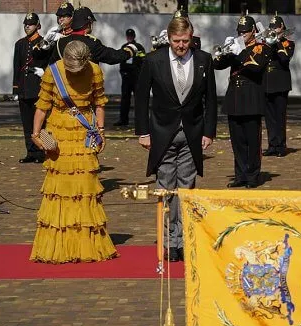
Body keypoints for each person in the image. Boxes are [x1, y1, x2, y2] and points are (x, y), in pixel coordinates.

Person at [135, 17, 217, 262]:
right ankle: (170, 240)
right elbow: (141, 98)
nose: (181, 46)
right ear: (168, 39)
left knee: (187, 189)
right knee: (166, 188)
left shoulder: (203, 60)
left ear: (192, 38)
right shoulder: (153, 61)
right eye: (176, 41)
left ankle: (185, 238)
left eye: (185, 41)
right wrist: (143, 132)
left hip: (192, 134)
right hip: (162, 134)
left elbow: (210, 99)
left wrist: (208, 132)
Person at [30, 40, 117, 263]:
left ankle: (85, 244)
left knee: (86, 187)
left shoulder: (95, 70)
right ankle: (60, 244)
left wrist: (100, 130)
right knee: (60, 188)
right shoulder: (53, 71)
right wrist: (35, 133)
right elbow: (42, 105)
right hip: (59, 134)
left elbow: (99, 103)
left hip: (85, 133)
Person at [214, 15, 269, 188]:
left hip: (251, 98)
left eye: (245, 31)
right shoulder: (236, 47)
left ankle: (253, 175)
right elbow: (217, 64)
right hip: (235, 98)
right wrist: (224, 52)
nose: (242, 34)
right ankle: (240, 175)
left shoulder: (262, 48)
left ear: (253, 31)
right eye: (240, 31)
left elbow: (256, 67)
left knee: (252, 141)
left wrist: (241, 52)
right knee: (237, 141)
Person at [13, 13, 48, 164]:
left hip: (38, 88)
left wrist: (45, 74)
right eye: (26, 24)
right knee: (27, 123)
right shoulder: (19, 44)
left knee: (41, 123)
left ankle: (42, 152)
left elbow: (49, 64)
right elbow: (16, 68)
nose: (27, 26)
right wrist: (16, 89)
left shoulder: (44, 43)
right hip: (24, 89)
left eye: (31, 24)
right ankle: (31, 152)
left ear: (38, 25)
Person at [50, 8, 140, 65]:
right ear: (88, 24)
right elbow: (113, 57)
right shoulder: (92, 43)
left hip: (65, 92)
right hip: (85, 92)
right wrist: (130, 50)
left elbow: (53, 66)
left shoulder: (60, 42)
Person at [262, 13, 294, 158]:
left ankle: (281, 146)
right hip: (266, 82)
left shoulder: (288, 43)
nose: (273, 30)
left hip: (280, 83)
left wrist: (277, 42)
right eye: (271, 27)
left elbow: (284, 59)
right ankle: (272, 145)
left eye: (276, 27)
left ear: (282, 27)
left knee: (279, 116)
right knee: (269, 117)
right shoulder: (266, 43)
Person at [115, 29, 146, 127]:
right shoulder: (124, 47)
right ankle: (123, 120)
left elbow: (143, 60)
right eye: (128, 36)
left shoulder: (139, 47)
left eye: (131, 36)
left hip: (136, 78)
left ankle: (139, 121)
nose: (129, 38)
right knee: (125, 99)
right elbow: (121, 61)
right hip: (126, 77)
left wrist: (140, 74)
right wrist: (122, 72)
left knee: (139, 100)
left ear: (134, 36)